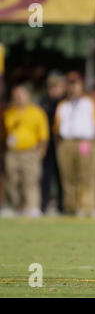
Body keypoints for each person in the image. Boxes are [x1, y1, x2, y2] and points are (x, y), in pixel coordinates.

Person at [54, 71, 95, 216]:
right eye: (70, 85)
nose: (73, 88)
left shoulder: (89, 102)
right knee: (68, 177)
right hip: (66, 143)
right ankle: (71, 207)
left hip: (84, 142)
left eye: (76, 84)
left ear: (81, 86)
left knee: (86, 175)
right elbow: (56, 128)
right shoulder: (63, 105)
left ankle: (87, 207)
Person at [4, 85, 49, 217]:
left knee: (30, 180)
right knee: (13, 181)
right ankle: (16, 206)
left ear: (27, 96)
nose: (18, 98)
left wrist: (41, 152)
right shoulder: (9, 113)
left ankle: (32, 206)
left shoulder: (36, 112)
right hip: (13, 152)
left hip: (30, 152)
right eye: (16, 95)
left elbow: (43, 135)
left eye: (21, 94)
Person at [39, 71, 66, 214]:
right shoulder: (44, 101)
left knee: (63, 175)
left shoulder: (66, 101)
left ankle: (63, 205)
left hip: (61, 142)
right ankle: (43, 205)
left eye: (57, 86)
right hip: (48, 143)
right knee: (46, 175)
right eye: (52, 86)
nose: (54, 89)